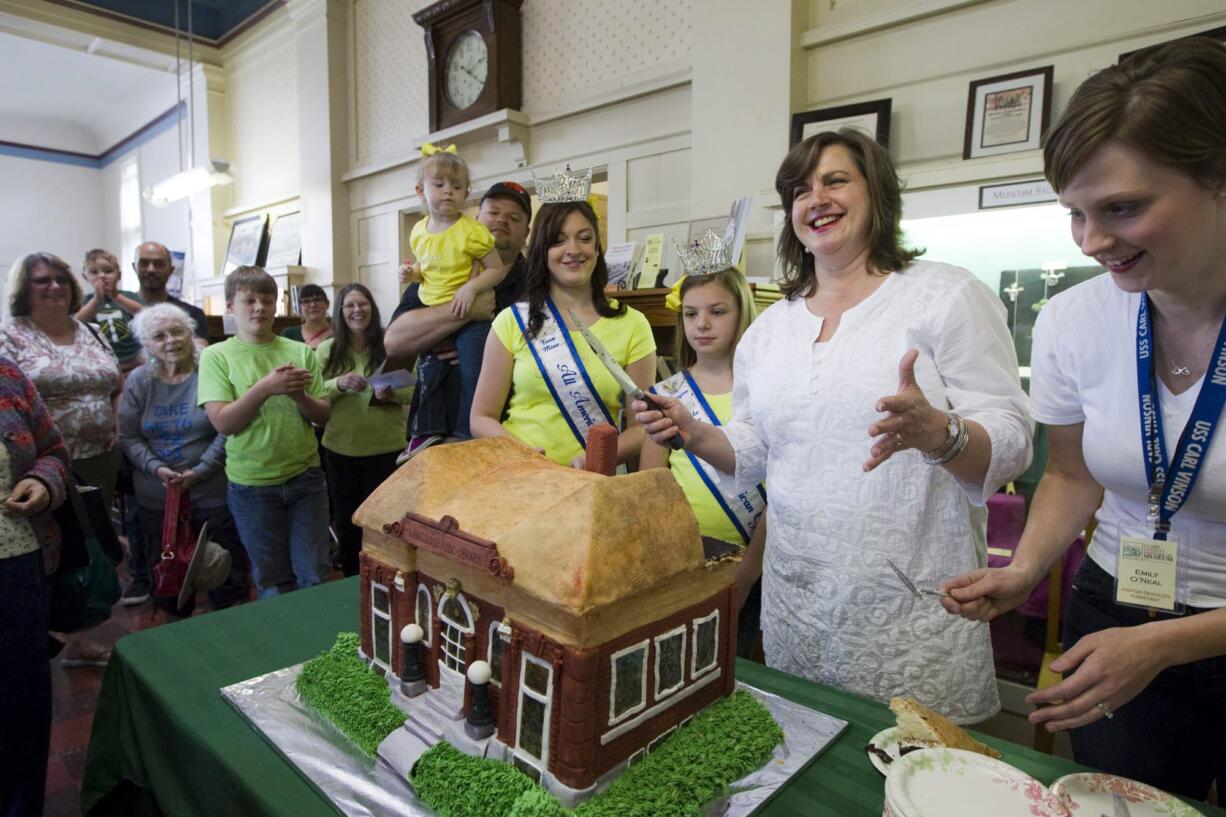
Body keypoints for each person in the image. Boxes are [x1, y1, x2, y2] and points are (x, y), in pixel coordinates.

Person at [636, 129, 1031, 722]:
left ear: (877, 191)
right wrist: (692, 432)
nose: (814, 198)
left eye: (835, 180)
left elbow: (1014, 438)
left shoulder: (946, 296)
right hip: (798, 607)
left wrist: (938, 433)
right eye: (799, 190)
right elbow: (757, 449)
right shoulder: (770, 331)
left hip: (906, 610)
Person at [941, 39, 1226, 798]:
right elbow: (1071, 472)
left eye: (1124, 208)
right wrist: (1026, 567)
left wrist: (1168, 642)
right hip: (1117, 614)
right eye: (1075, 213)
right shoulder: (1073, 320)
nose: (1093, 242)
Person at [0, 252, 124, 667]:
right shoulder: (11, 336)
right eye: (41, 280)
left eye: (60, 278)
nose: (53, 286)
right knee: (55, 550)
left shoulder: (89, 329)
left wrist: (117, 423)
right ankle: (43, 634)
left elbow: (114, 381)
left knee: (89, 549)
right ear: (23, 290)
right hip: (44, 466)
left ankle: (79, 637)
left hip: (100, 456)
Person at [471, 198, 656, 469]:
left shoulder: (633, 324)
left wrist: (598, 457)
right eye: (558, 240)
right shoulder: (512, 321)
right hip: (521, 475)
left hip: (594, 480)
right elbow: (480, 417)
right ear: (541, 250)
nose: (573, 250)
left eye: (584, 238)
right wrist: (524, 455)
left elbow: (642, 428)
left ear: (596, 247)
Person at [641, 267, 767, 657]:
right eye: (691, 313)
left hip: (757, 560)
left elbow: (781, 492)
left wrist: (746, 575)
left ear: (742, 312)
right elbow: (650, 487)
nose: (703, 324)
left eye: (718, 311)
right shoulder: (666, 394)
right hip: (684, 560)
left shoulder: (765, 391)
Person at [198, 266, 332, 598]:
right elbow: (224, 423)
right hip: (252, 485)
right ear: (230, 306)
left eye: (267, 300)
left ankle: (316, 644)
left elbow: (323, 416)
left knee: (314, 572)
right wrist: (265, 388)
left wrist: (299, 395)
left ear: (277, 306)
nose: (259, 307)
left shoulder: (299, 351)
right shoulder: (216, 356)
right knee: (272, 579)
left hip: (306, 480)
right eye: (249, 300)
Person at [386, 180, 532, 463]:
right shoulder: (440, 265)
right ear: (477, 219)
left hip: (505, 439)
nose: (502, 220)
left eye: (514, 218)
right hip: (434, 436)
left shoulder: (536, 283)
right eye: (493, 212)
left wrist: (486, 351)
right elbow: (394, 341)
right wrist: (464, 312)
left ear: (526, 232)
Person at [120, 303, 249, 618]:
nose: (170, 341)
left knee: (226, 581)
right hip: (158, 499)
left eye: (177, 332)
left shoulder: (210, 370)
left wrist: (201, 470)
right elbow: (129, 437)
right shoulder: (139, 381)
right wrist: (158, 469)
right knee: (169, 587)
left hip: (212, 493)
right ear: (147, 344)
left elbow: (227, 428)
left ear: (191, 334)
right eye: (159, 335)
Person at [397, 144, 505, 451]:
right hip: (435, 312)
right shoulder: (418, 231)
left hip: (471, 319)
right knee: (429, 373)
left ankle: (464, 433)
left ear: (466, 192)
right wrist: (412, 274)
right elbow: (427, 268)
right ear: (421, 190)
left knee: (473, 376)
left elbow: (495, 269)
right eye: (439, 185)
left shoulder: (472, 232)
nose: (448, 192)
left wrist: (470, 289)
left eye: (457, 187)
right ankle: (424, 430)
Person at [0, 356, 70, 817]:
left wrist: (42, 481)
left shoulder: (6, 375)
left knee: (20, 703)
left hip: (16, 562)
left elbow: (54, 452)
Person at [315, 284, 411, 577]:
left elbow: (414, 388)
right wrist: (338, 385)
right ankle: (353, 582)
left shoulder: (391, 343)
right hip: (342, 452)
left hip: (388, 451)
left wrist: (392, 394)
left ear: (373, 307)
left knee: (389, 522)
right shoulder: (327, 350)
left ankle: (392, 579)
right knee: (348, 524)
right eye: (350, 306)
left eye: (363, 304)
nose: (357, 310)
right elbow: (312, 393)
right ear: (340, 313)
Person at [75, 248, 144, 372]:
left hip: (135, 357)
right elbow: (78, 322)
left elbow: (142, 313)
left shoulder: (129, 296)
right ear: (85, 277)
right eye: (94, 272)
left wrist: (116, 296)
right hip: (105, 361)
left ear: (119, 275)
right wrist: (97, 300)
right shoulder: (86, 301)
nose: (102, 276)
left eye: (108, 271)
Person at [132, 242, 209, 345]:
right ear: (134, 267)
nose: (151, 269)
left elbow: (199, 354)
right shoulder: (119, 312)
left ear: (171, 270)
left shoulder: (193, 314)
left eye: (158, 264)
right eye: (144, 263)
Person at [281, 284, 333, 349]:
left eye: (317, 300)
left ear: (327, 304)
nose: (313, 305)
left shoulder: (339, 335)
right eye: (306, 301)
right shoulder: (289, 335)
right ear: (300, 307)